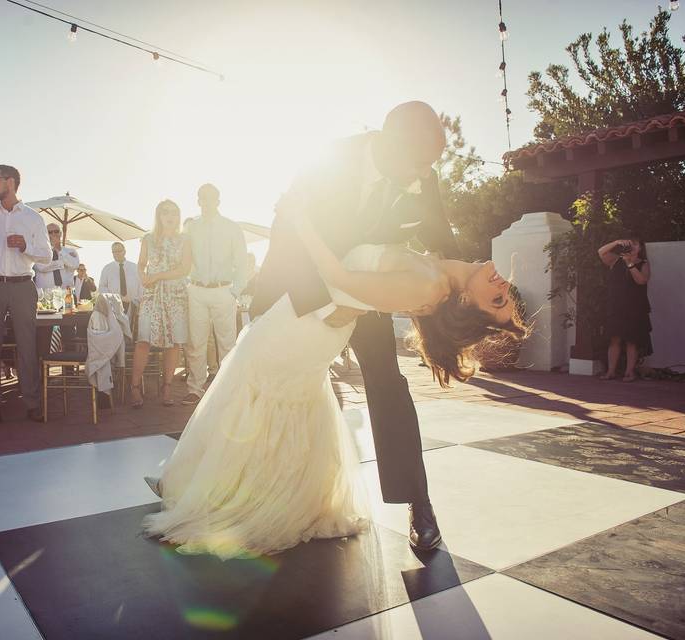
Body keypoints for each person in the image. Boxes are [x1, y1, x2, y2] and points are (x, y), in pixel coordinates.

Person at [146, 102, 487, 557]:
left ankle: (418, 505)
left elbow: (442, 240)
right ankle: (201, 483)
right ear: (387, 143)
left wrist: (455, 290)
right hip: (305, 291)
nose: (421, 175)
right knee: (259, 383)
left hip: (369, 296)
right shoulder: (332, 159)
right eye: (416, 163)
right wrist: (325, 304)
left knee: (388, 384)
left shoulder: (423, 175)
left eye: (429, 165)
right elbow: (288, 229)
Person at [0, 164, 51, 425]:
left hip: (23, 285)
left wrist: (26, 245)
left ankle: (32, 403)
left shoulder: (33, 218)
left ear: (11, 182)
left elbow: (47, 255)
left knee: (27, 346)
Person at [180, 184, 249, 405]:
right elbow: (183, 259)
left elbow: (242, 262)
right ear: (198, 200)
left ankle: (228, 388)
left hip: (223, 290)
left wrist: (235, 292)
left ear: (218, 200)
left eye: (210, 198)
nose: (206, 202)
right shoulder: (191, 228)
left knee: (226, 342)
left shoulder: (232, 228)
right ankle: (195, 388)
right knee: (196, 342)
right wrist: (186, 285)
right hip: (197, 290)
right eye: (202, 198)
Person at [130, 200, 191, 407]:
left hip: (175, 295)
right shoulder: (148, 238)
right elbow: (140, 264)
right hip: (152, 294)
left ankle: (167, 388)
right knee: (143, 340)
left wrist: (158, 276)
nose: (170, 216)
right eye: (165, 212)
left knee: (173, 343)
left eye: (174, 212)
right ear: (159, 215)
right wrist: (143, 275)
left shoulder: (185, 239)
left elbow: (184, 269)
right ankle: (135, 387)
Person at [598, 237, 652, 382]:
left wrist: (630, 263)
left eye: (635, 244)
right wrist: (616, 243)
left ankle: (629, 373)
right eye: (630, 243)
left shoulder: (643, 264)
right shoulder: (615, 260)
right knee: (614, 340)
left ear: (641, 248)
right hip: (616, 306)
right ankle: (611, 372)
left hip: (634, 308)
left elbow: (641, 280)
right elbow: (601, 252)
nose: (632, 246)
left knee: (631, 341)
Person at [98, 242, 142, 314]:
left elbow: (141, 286)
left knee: (131, 325)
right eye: (114, 252)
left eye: (119, 251)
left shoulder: (135, 267)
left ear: (124, 252)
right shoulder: (107, 269)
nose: (116, 253)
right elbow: (102, 287)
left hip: (133, 305)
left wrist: (137, 302)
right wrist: (113, 300)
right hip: (114, 307)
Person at [34, 224, 80, 290]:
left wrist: (59, 249)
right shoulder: (38, 251)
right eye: (49, 232)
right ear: (45, 235)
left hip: (66, 293)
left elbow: (75, 265)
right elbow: (41, 267)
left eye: (56, 231)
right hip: (45, 293)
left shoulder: (71, 251)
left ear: (60, 234)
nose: (53, 234)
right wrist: (62, 263)